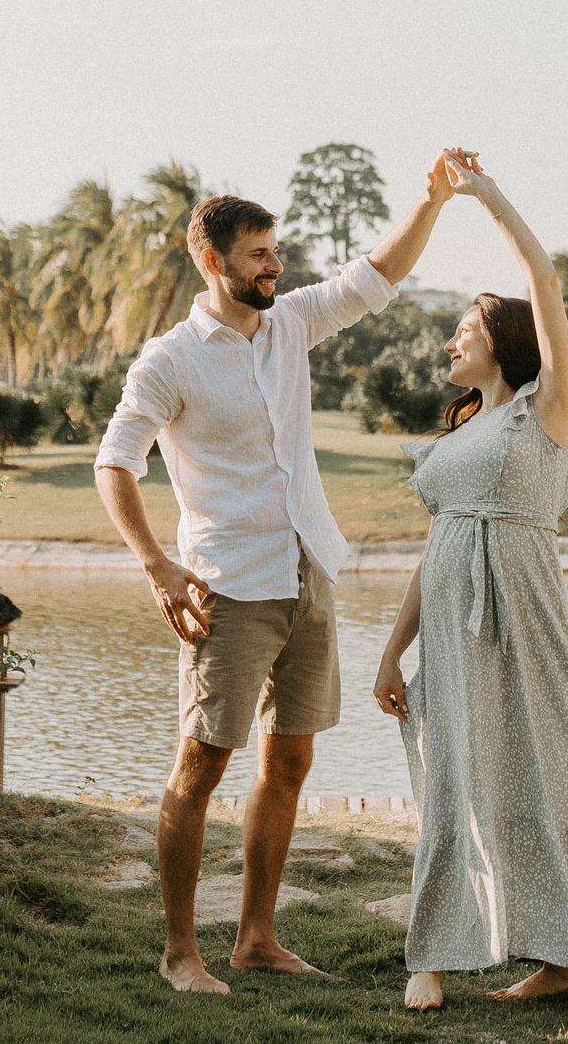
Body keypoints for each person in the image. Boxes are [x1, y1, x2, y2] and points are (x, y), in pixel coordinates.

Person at [94, 164, 455, 995]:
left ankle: (256, 936)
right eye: (258, 254)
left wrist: (431, 199)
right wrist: (156, 561)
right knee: (201, 766)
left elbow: (379, 275)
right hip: (227, 589)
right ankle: (181, 950)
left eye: (276, 250)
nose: (274, 266)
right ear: (214, 263)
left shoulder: (291, 323)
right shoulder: (171, 360)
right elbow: (115, 461)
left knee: (289, 762)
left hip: (308, 572)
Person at [373, 151, 568, 1012]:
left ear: (501, 338)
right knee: (454, 776)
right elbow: (437, 552)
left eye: (462, 328)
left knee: (548, 775)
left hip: (526, 622)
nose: (449, 339)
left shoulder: (548, 410)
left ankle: (566, 955)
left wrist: (485, 195)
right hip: (457, 636)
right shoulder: (459, 438)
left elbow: (544, 278)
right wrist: (394, 651)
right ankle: (427, 951)